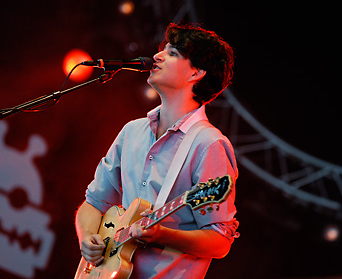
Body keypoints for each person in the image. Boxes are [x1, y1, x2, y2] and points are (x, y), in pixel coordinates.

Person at [75, 22, 239, 278]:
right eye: (163, 50)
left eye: (173, 53)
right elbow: (93, 203)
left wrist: (164, 235)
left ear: (196, 72)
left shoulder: (209, 144)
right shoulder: (132, 131)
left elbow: (219, 241)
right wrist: (87, 239)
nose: (157, 56)